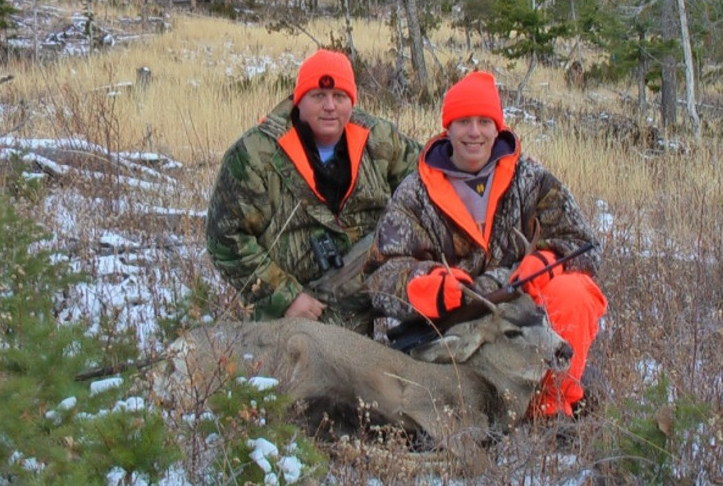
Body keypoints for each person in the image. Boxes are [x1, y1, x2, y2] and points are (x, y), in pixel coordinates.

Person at [365, 71, 608, 418]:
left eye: (484, 121)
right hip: (456, 326)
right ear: (447, 128)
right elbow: (382, 272)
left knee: (574, 292)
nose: (474, 132)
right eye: (463, 122)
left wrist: (546, 260)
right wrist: (428, 286)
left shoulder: (531, 180)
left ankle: (551, 409)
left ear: (498, 128)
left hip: (523, 314)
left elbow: (583, 244)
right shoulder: (416, 193)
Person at [205, 49, 423, 334]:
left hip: (368, 286)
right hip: (300, 308)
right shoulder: (255, 155)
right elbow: (225, 239)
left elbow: (428, 188)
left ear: (352, 102)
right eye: (319, 95)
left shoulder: (380, 139)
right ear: (299, 101)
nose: (330, 106)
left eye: (339, 96)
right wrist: (284, 297)